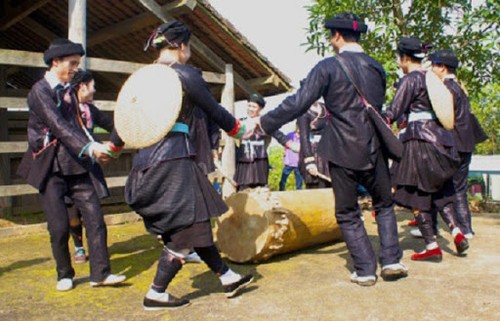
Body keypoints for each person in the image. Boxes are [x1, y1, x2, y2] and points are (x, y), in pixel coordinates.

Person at [256, 12, 407, 285]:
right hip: (375, 148)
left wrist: (264, 122)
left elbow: (299, 102)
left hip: (342, 150)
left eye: (330, 37)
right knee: (384, 205)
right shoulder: (376, 67)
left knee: (348, 212)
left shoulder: (327, 67)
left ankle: (365, 270)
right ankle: (392, 260)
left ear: (337, 36)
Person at [125, 21, 254, 310]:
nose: (189, 52)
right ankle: (156, 293)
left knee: (195, 222)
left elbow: (126, 119)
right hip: (173, 159)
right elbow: (213, 109)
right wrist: (238, 130)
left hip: (147, 159)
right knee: (187, 230)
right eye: (189, 46)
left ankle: (227, 276)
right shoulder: (183, 74)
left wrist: (111, 147)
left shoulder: (144, 77)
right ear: (180, 45)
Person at [16, 39, 126, 291]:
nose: (76, 68)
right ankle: (64, 273)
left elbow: (80, 127)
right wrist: (91, 148)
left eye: (78, 63)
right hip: (50, 165)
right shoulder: (39, 91)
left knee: (95, 219)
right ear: (56, 62)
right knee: (59, 227)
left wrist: (100, 148)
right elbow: (57, 125)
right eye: (72, 63)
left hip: (77, 165)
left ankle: (100, 273)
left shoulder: (70, 92)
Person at [385, 38, 469, 262]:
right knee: (440, 191)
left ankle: (432, 246)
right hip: (442, 142)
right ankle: (457, 232)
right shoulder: (432, 78)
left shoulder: (411, 79)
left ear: (403, 58)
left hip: (418, 143)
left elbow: (393, 111)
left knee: (416, 195)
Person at [428, 49, 488, 239]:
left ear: (442, 68)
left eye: (434, 66)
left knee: (438, 186)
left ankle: (436, 228)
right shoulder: (460, 88)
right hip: (466, 144)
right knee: (459, 188)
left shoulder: (446, 89)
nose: (432, 70)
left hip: (452, 144)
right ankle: (466, 228)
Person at [234, 93, 292, 191]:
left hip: (260, 157)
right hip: (243, 158)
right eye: (249, 105)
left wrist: (289, 144)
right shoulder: (241, 121)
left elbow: (277, 134)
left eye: (254, 107)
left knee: (260, 186)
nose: (250, 109)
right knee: (242, 186)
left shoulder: (265, 122)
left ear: (260, 109)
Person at [297, 100, 332, 189]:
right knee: (316, 185)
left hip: (328, 150)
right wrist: (309, 161)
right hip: (312, 152)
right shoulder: (303, 112)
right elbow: (303, 137)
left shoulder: (326, 107)